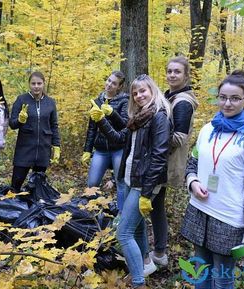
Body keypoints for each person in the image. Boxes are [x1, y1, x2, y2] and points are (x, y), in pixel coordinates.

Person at [181, 70, 244, 289]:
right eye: (223, 97)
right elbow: (192, 164)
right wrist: (193, 182)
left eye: (235, 98)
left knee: (222, 280)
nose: (227, 103)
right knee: (201, 274)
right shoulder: (208, 130)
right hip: (200, 212)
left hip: (228, 220)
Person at [89, 74, 172, 288]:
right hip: (130, 179)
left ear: (152, 90)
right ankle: (144, 263)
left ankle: (138, 282)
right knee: (136, 228)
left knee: (123, 232)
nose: (138, 96)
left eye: (143, 91)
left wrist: (146, 193)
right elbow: (118, 138)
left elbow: (159, 156)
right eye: (135, 93)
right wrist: (101, 121)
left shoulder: (159, 116)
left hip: (143, 184)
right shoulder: (139, 117)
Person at [147, 56, 199, 268]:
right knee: (155, 205)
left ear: (186, 75)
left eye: (177, 72)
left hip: (164, 163)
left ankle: (158, 253)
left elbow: (179, 137)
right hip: (160, 161)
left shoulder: (183, 102)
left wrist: (153, 143)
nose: (171, 75)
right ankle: (159, 252)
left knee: (151, 204)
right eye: (169, 71)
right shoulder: (171, 96)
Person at [82, 71, 129, 212]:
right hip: (101, 149)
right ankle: (93, 213)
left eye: (114, 83)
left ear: (119, 87)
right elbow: (92, 129)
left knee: (120, 183)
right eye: (108, 80)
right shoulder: (96, 101)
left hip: (118, 148)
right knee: (92, 183)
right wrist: (87, 150)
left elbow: (125, 125)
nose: (109, 85)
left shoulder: (124, 101)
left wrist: (112, 113)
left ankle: (121, 215)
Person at [9, 71, 60, 192]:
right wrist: (20, 120)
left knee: (37, 187)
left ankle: (33, 209)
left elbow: (54, 125)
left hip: (43, 149)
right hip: (24, 149)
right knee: (15, 185)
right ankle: (13, 208)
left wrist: (56, 145)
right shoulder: (21, 100)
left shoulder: (50, 102)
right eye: (33, 83)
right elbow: (12, 124)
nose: (36, 86)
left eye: (39, 83)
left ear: (43, 84)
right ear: (29, 85)